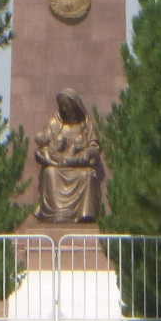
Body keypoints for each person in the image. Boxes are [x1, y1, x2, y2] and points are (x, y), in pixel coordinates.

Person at [32, 88, 106, 224]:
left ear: (75, 106)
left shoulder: (86, 126)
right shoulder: (55, 124)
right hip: (58, 165)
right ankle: (56, 214)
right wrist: (55, 147)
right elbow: (43, 142)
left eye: (68, 106)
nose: (65, 109)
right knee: (50, 172)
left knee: (87, 175)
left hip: (78, 166)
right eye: (62, 106)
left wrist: (86, 152)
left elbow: (95, 147)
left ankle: (85, 214)